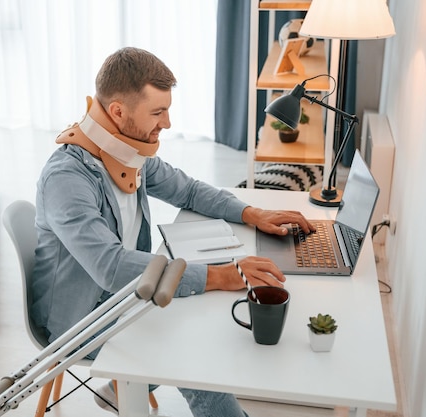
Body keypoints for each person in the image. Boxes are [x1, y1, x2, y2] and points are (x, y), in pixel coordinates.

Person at [31, 47, 316, 416]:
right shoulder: (67, 178)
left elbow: (189, 190)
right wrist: (219, 275)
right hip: (82, 318)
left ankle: (127, 387)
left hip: (128, 295)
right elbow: (110, 267)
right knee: (190, 350)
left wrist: (252, 212)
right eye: (157, 112)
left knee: (199, 316)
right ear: (118, 112)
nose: (166, 122)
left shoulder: (125, 151)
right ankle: (135, 385)